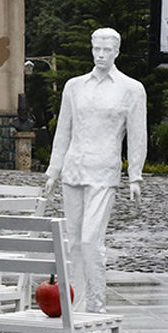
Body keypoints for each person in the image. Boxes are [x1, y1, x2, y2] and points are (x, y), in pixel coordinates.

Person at [44, 28, 147, 314]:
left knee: (91, 241)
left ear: (117, 52)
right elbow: (63, 130)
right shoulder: (74, 86)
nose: (101, 55)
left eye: (107, 50)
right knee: (75, 242)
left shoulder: (131, 89)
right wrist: (54, 170)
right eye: (97, 49)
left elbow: (138, 136)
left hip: (104, 172)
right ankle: (77, 306)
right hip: (73, 171)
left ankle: (97, 306)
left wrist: (135, 175)